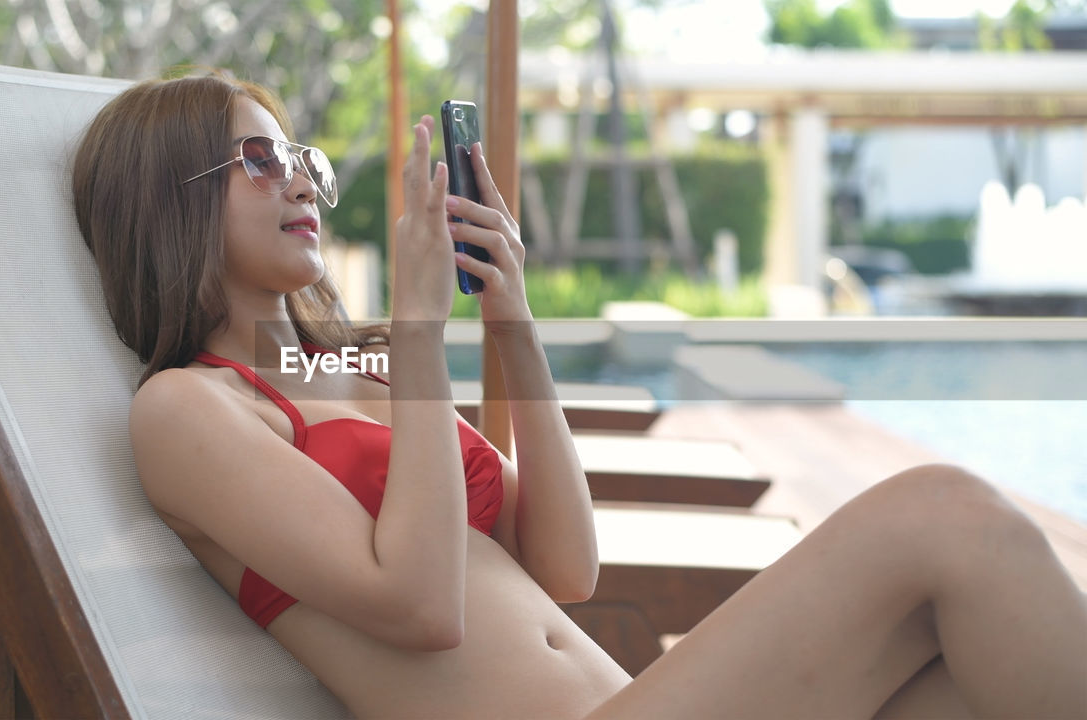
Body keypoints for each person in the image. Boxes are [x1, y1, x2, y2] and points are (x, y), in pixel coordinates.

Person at [72, 72, 1086, 719]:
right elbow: (419, 608)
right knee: (945, 514)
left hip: (633, 702)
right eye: (259, 158)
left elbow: (562, 564)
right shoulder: (189, 410)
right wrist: (423, 335)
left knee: (963, 670)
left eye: (301, 158)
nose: (299, 181)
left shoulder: (341, 372)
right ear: (166, 200)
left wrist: (510, 322)